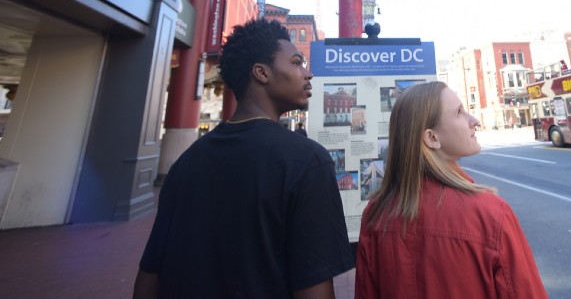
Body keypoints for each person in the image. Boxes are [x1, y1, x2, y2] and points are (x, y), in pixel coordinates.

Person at [133, 19, 353, 299]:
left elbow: (150, 274)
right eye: (297, 63)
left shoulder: (186, 163)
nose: (308, 74)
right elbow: (314, 289)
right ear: (262, 73)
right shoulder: (307, 161)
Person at [355, 81, 548, 299]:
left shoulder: (375, 214)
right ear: (431, 138)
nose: (474, 121)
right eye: (459, 112)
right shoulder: (491, 214)